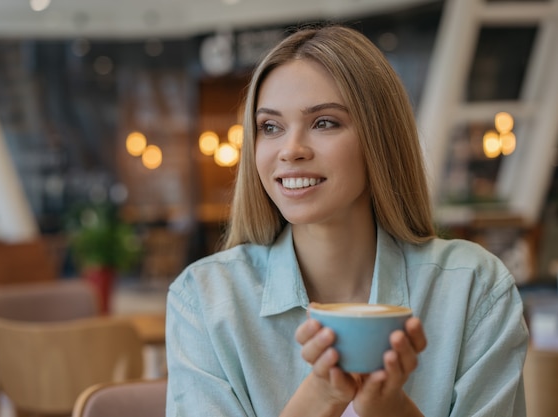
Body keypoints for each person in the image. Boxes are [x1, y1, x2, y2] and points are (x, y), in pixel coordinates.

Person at [165, 25, 528, 417]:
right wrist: (321, 397)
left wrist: (391, 410)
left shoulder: (473, 289)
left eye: (324, 123)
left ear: (379, 138)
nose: (291, 150)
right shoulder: (204, 299)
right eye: (271, 127)